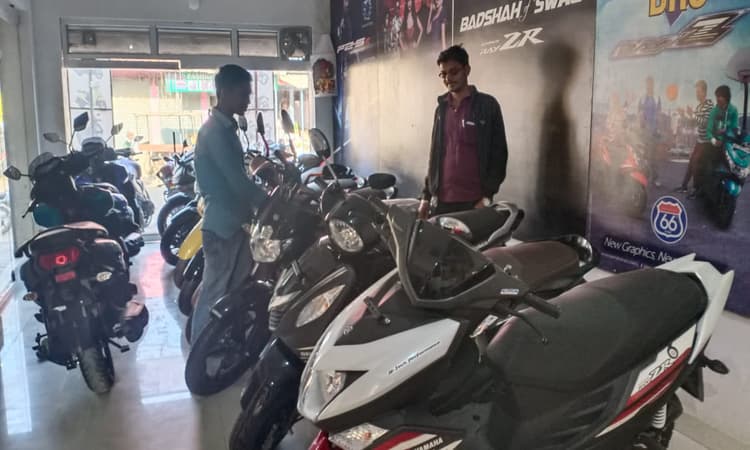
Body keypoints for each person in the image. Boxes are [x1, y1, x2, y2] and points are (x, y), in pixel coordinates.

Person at [191, 65, 267, 339]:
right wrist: (267, 200)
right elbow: (236, 181)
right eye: (243, 94)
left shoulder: (225, 128)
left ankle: (227, 341)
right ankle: (200, 347)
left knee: (234, 289)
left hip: (233, 224)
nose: (248, 99)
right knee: (214, 292)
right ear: (224, 92)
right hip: (223, 227)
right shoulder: (216, 132)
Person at [418, 45, 509, 219]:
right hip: (442, 202)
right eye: (443, 74)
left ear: (467, 70)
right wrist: (426, 197)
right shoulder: (441, 109)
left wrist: (487, 198)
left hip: (474, 203)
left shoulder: (487, 106)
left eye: (454, 72)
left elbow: (499, 155)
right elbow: (435, 155)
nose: (448, 78)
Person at [678, 80, 714, 195]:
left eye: (699, 92)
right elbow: (693, 123)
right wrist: (684, 115)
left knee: (695, 163)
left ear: (704, 92)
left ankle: (696, 189)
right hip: (700, 140)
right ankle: (684, 186)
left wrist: (692, 114)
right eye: (696, 92)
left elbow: (706, 122)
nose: (697, 94)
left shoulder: (709, 105)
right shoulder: (698, 107)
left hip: (707, 142)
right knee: (691, 163)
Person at [638, 76, 662, 187]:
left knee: (653, 156)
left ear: (653, 85)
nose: (649, 86)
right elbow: (639, 113)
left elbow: (659, 114)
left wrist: (658, 128)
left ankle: (655, 179)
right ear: (646, 85)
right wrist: (640, 125)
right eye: (647, 84)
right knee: (643, 156)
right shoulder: (642, 98)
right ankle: (643, 177)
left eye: (651, 84)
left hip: (654, 131)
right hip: (644, 131)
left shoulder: (657, 98)